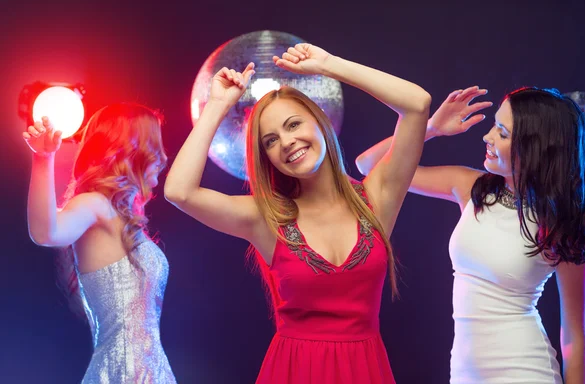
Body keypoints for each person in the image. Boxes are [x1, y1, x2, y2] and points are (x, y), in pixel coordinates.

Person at [164, 43, 432, 383]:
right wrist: (217, 105)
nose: (286, 142)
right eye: (270, 141)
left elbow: (417, 104)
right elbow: (179, 191)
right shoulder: (265, 218)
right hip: (293, 372)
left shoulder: (378, 198)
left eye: (293, 125)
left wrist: (330, 65)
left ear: (321, 122)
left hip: (366, 370)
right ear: (267, 158)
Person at [356, 86, 585, 383]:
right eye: (494, 126)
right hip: (464, 372)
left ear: (536, 148)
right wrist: (430, 128)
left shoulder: (561, 222)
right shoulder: (472, 188)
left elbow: (573, 335)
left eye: (502, 133)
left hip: (526, 371)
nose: (487, 137)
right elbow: (368, 166)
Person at [24, 103, 176, 383]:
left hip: (151, 373)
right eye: (154, 145)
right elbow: (46, 233)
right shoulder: (95, 204)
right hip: (121, 374)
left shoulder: (122, 216)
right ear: (131, 148)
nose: (164, 157)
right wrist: (43, 159)